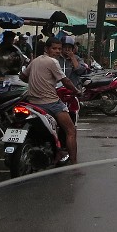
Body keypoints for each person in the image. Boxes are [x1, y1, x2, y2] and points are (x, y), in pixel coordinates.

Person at [20, 35, 82, 164]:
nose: (58, 51)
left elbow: (23, 76)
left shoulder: (35, 60)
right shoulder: (53, 62)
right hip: (51, 103)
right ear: (47, 49)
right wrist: (76, 91)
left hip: (32, 103)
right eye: (54, 49)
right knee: (71, 130)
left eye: (59, 49)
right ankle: (74, 163)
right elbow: (66, 81)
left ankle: (57, 151)